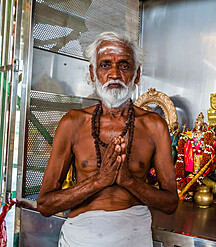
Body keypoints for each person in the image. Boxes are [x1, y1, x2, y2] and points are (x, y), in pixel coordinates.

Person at [36, 31, 179, 247]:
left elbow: (170, 203)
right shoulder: (73, 123)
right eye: (105, 65)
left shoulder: (154, 126)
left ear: (137, 75)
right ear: (93, 73)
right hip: (80, 238)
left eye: (124, 65)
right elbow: (45, 205)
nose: (114, 74)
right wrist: (99, 180)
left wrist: (128, 180)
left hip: (134, 237)